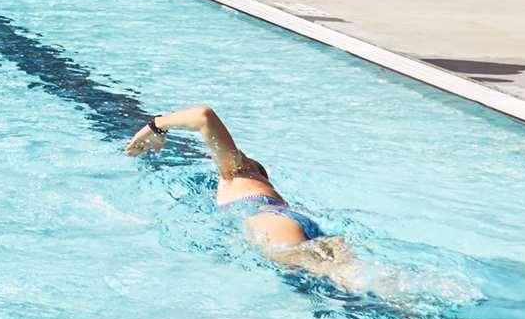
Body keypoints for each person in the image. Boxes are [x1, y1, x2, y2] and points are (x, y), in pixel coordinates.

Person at [125, 104, 364, 284]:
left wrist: (156, 125)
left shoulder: (236, 172)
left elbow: (203, 116)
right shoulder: (257, 187)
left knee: (335, 277)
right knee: (355, 278)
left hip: (272, 223)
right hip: (301, 223)